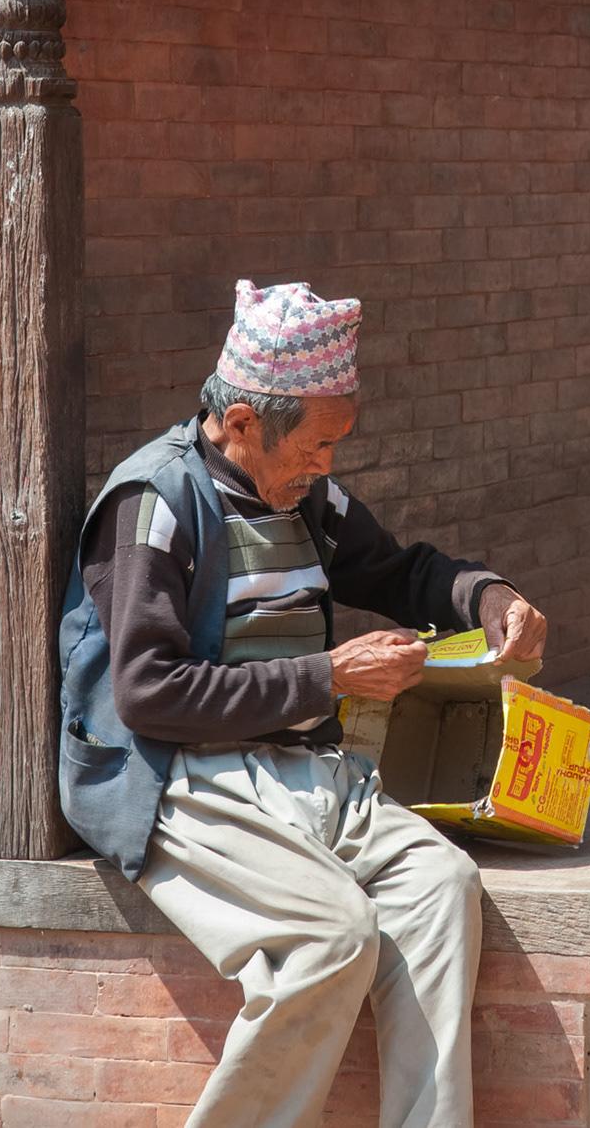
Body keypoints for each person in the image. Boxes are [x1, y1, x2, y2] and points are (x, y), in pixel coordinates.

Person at [57, 280, 547, 1128]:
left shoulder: (305, 497)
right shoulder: (157, 504)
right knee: (333, 934)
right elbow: (147, 692)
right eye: (315, 445)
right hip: (184, 776)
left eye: (334, 445)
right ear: (243, 421)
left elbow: (400, 571)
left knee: (441, 886)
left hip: (306, 770)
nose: (327, 465)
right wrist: (328, 677)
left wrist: (490, 598)